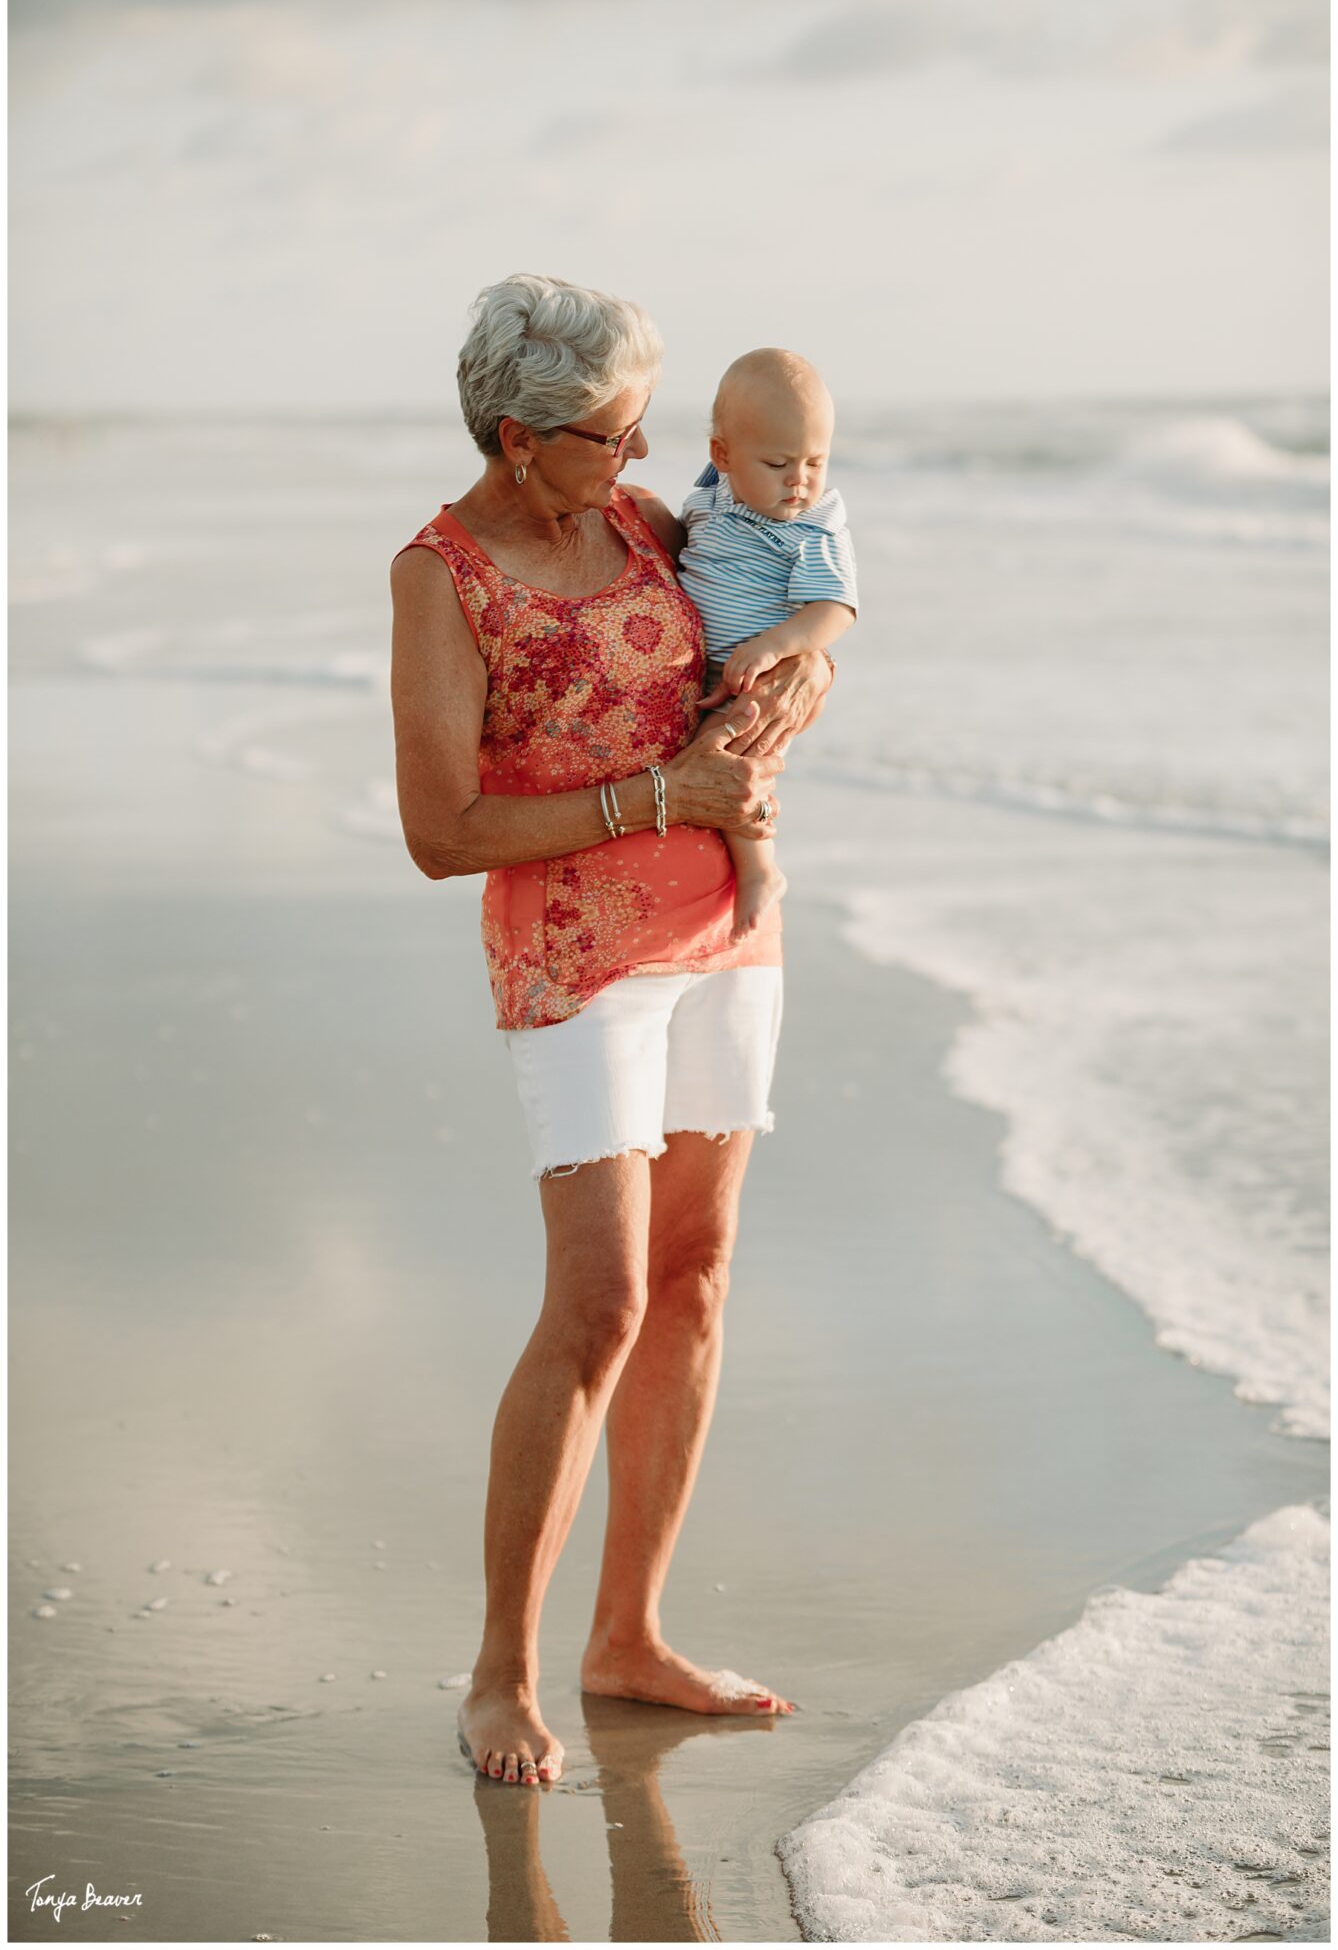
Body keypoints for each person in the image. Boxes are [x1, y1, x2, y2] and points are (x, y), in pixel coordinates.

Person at [389, 275, 834, 1789]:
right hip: (578, 966)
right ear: (517, 439)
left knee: (695, 1283)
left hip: (728, 935)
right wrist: (664, 799)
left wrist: (792, 695)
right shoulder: (441, 576)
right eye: (606, 437)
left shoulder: (644, 527)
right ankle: (500, 1673)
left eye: (646, 430)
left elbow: (778, 617)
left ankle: (626, 1637)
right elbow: (441, 830)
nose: (638, 464)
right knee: (596, 1308)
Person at [678, 349, 858, 941]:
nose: (800, 481)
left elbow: (835, 609)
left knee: (728, 760)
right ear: (722, 458)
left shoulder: (811, 528)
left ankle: (760, 870)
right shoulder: (716, 496)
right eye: (779, 462)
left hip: (750, 683)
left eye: (816, 461)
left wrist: (780, 646)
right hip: (698, 672)